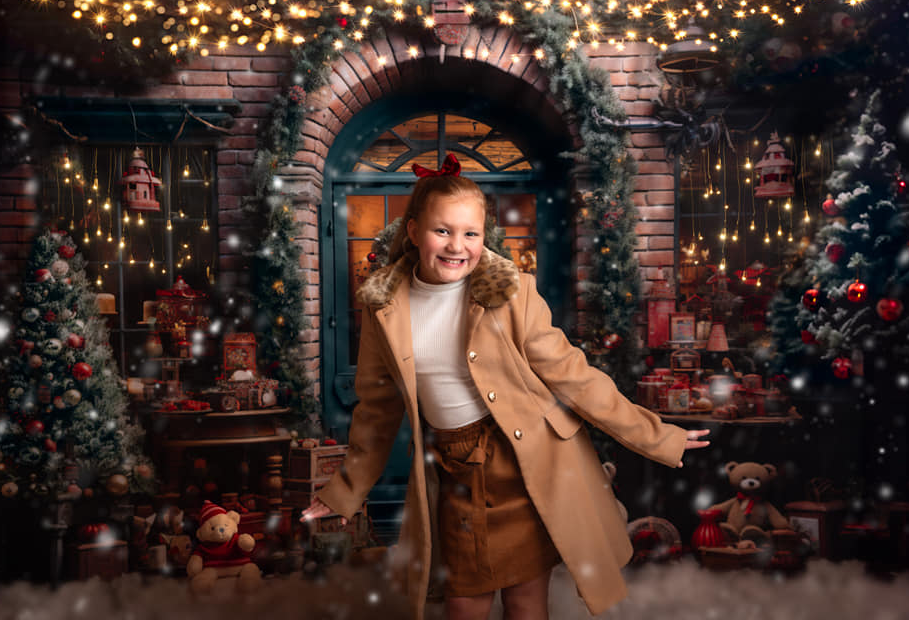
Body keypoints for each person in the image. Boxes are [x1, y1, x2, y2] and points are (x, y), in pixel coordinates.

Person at [302, 153, 710, 620]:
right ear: (412, 232)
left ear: (483, 237)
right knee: (466, 600)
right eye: (443, 231)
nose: (457, 246)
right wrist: (343, 491)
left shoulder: (510, 293)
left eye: (470, 233)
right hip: (457, 467)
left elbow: (571, 374)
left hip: (525, 463)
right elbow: (376, 409)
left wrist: (658, 435)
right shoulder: (384, 306)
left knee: (525, 600)